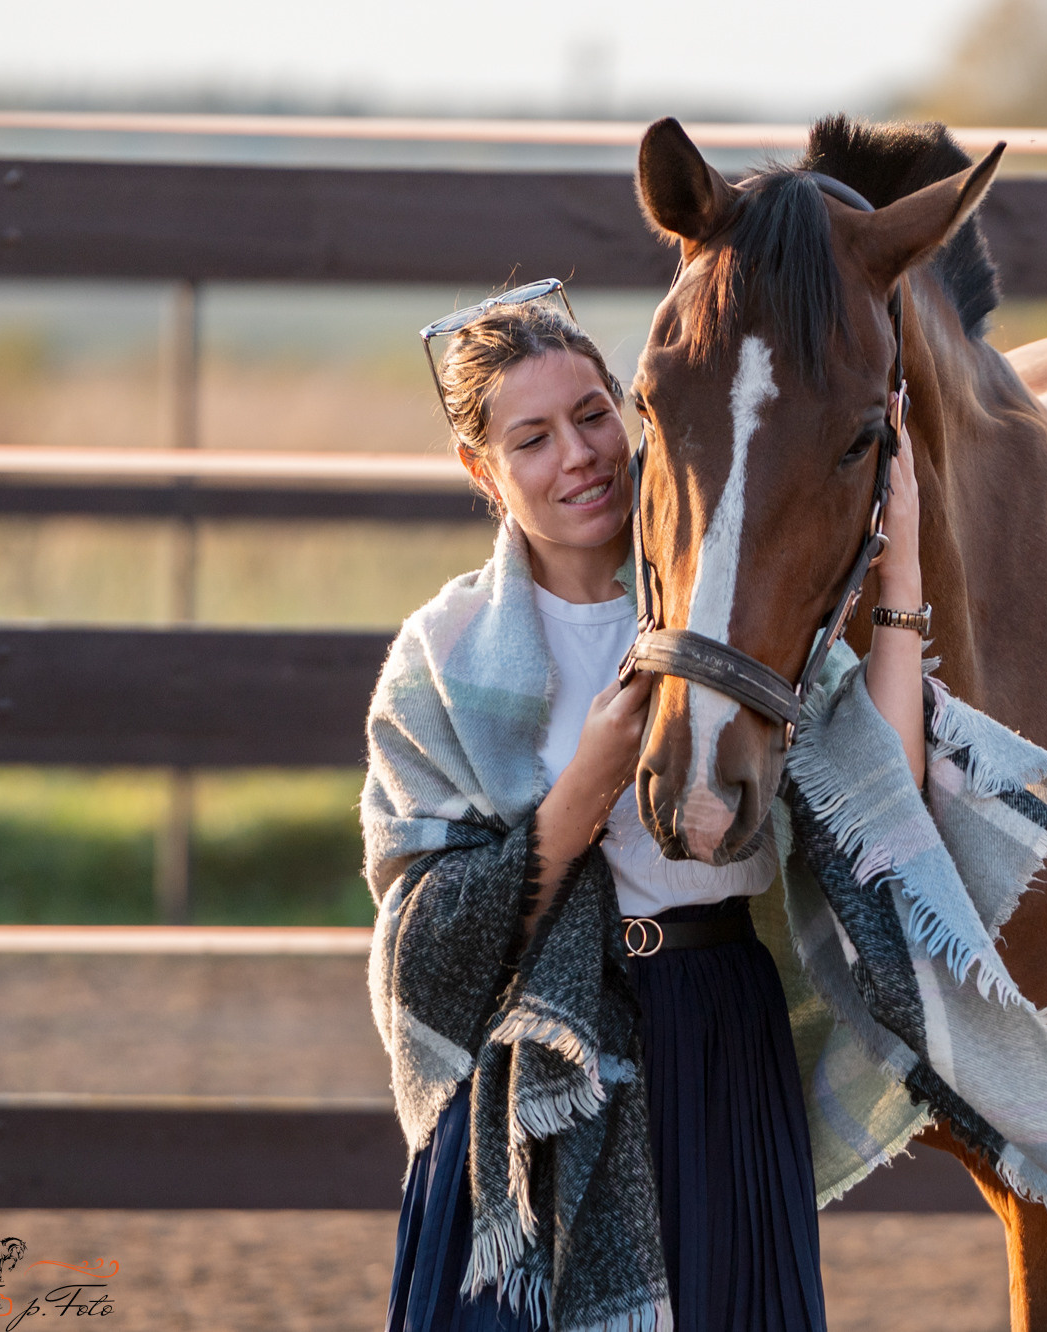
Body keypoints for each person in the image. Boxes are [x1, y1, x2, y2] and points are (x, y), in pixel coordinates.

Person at [377, 282, 929, 1332]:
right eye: (530, 438)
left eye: (592, 416)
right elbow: (425, 951)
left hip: (714, 1027)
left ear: (634, 417)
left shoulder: (726, 612)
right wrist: (587, 782)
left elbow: (880, 808)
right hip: (533, 1068)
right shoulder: (441, 660)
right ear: (479, 472)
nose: (578, 455)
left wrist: (896, 574)